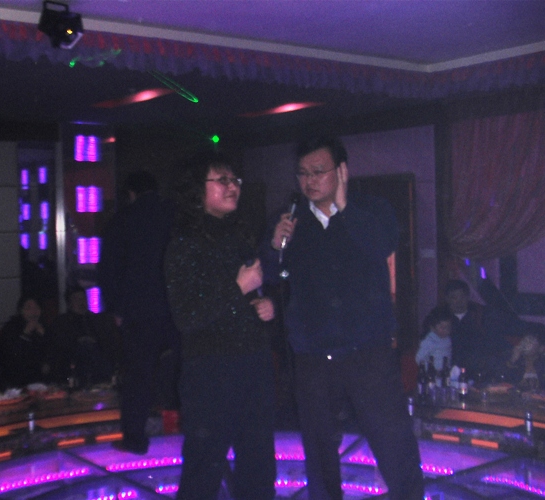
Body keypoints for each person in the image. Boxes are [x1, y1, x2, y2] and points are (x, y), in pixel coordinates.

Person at [262, 135, 423, 500]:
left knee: (393, 441)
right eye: (303, 173)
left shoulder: (371, 209)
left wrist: (345, 207)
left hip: (368, 351)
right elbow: (269, 274)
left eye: (318, 171)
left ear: (342, 171)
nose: (309, 181)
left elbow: (383, 245)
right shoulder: (291, 220)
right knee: (319, 449)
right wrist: (274, 246)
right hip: (313, 355)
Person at [165, 151, 277, 499]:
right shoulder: (184, 244)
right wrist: (237, 288)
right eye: (222, 180)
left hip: (253, 363)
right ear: (197, 190)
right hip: (210, 372)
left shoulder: (239, 234)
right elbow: (187, 316)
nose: (232, 187)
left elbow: (246, 297)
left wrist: (264, 305)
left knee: (259, 467)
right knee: (204, 469)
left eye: (235, 180)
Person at [97, 170, 180, 455]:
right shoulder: (175, 214)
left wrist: (115, 308)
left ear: (131, 193)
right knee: (186, 370)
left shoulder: (123, 219)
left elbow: (109, 269)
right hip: (176, 307)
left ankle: (135, 439)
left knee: (138, 377)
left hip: (138, 310)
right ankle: (196, 433)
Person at [48, 286, 117, 388]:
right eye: (77, 299)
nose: (81, 302)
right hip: (72, 360)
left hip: (97, 358)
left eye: (83, 298)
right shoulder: (62, 322)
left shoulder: (96, 320)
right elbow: (59, 345)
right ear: (70, 303)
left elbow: (106, 342)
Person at [0, 295, 50, 387]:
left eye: (36, 307)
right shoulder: (10, 328)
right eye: (28, 308)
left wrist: (44, 336)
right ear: (21, 311)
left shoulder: (45, 327)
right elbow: (10, 356)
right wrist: (26, 333)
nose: (33, 311)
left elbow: (51, 352)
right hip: (16, 380)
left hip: (40, 381)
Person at [416, 306, 454, 371]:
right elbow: (418, 358)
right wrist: (429, 368)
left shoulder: (448, 339)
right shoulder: (429, 341)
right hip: (433, 373)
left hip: (446, 371)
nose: (444, 330)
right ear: (433, 327)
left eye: (447, 328)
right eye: (441, 327)